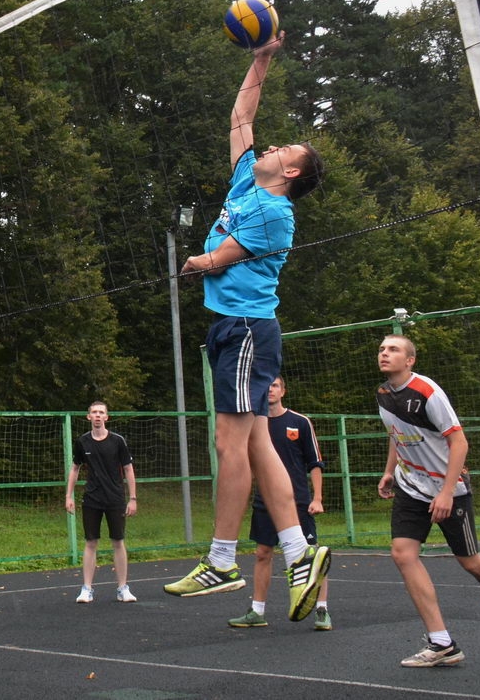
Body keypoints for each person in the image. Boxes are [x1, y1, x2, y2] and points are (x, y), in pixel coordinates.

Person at [163, 31, 330, 623]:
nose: (276, 143)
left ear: (290, 171)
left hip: (245, 329)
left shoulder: (275, 212)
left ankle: (222, 559)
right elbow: (241, 114)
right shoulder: (246, 182)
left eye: (288, 146)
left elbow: (217, 259)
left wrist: (192, 261)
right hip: (232, 329)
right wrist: (261, 58)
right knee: (258, 447)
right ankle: (299, 552)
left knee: (228, 443)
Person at [376, 334, 480, 667]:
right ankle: (441, 642)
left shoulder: (428, 392)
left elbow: (459, 442)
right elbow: (397, 434)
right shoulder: (382, 394)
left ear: (410, 360)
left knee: (470, 561)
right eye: (381, 349)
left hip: (449, 488)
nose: (384, 354)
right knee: (402, 553)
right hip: (411, 487)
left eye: (393, 349)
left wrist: (447, 492)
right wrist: (389, 470)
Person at [227, 376, 332, 631]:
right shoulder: (253, 426)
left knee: (311, 554)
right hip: (264, 502)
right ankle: (257, 611)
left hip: (296, 501)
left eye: (274, 386)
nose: (270, 390)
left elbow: (315, 463)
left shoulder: (300, 422)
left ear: (283, 390)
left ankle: (321, 610)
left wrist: (317, 498)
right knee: (263, 553)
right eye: (266, 386)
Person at [65, 401, 139, 604]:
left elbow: (128, 469)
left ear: (107, 417)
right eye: (94, 412)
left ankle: (123, 588)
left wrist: (132, 498)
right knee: (91, 543)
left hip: (115, 499)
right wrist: (68, 496)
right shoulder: (83, 442)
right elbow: (75, 468)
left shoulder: (117, 441)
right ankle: (86, 589)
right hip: (92, 499)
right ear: (88, 416)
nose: (97, 415)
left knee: (118, 542)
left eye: (101, 412)